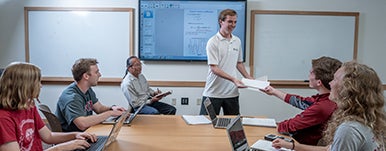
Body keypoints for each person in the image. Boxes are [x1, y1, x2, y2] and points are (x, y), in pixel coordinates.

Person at [272, 61, 386, 150]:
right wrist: (292, 146)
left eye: (335, 80)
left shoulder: (349, 129)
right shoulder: (367, 120)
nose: (330, 83)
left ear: (347, 90)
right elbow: (328, 149)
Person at [0, 62, 98, 151]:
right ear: (24, 86)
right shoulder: (3, 118)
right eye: (38, 82)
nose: (40, 86)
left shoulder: (29, 106)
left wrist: (75, 135)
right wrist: (61, 148)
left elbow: (48, 136)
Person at [261, 56, 342, 145]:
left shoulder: (323, 106)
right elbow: (301, 102)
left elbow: (289, 126)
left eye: (311, 73)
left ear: (319, 82)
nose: (308, 76)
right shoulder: (326, 99)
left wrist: (270, 126)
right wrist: (274, 91)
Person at [199, 9, 253, 116]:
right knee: (205, 126)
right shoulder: (213, 42)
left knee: (234, 126)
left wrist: (249, 78)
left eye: (235, 22)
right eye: (230, 21)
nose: (233, 25)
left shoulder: (237, 41)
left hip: (231, 93)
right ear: (221, 21)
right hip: (213, 93)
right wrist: (234, 79)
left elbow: (239, 63)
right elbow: (214, 68)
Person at [56, 58, 126, 132]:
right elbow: (82, 124)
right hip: (74, 138)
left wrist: (112, 108)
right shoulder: (71, 97)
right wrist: (110, 113)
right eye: (96, 72)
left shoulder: (87, 89)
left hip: (86, 132)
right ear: (86, 76)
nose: (100, 75)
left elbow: (99, 108)